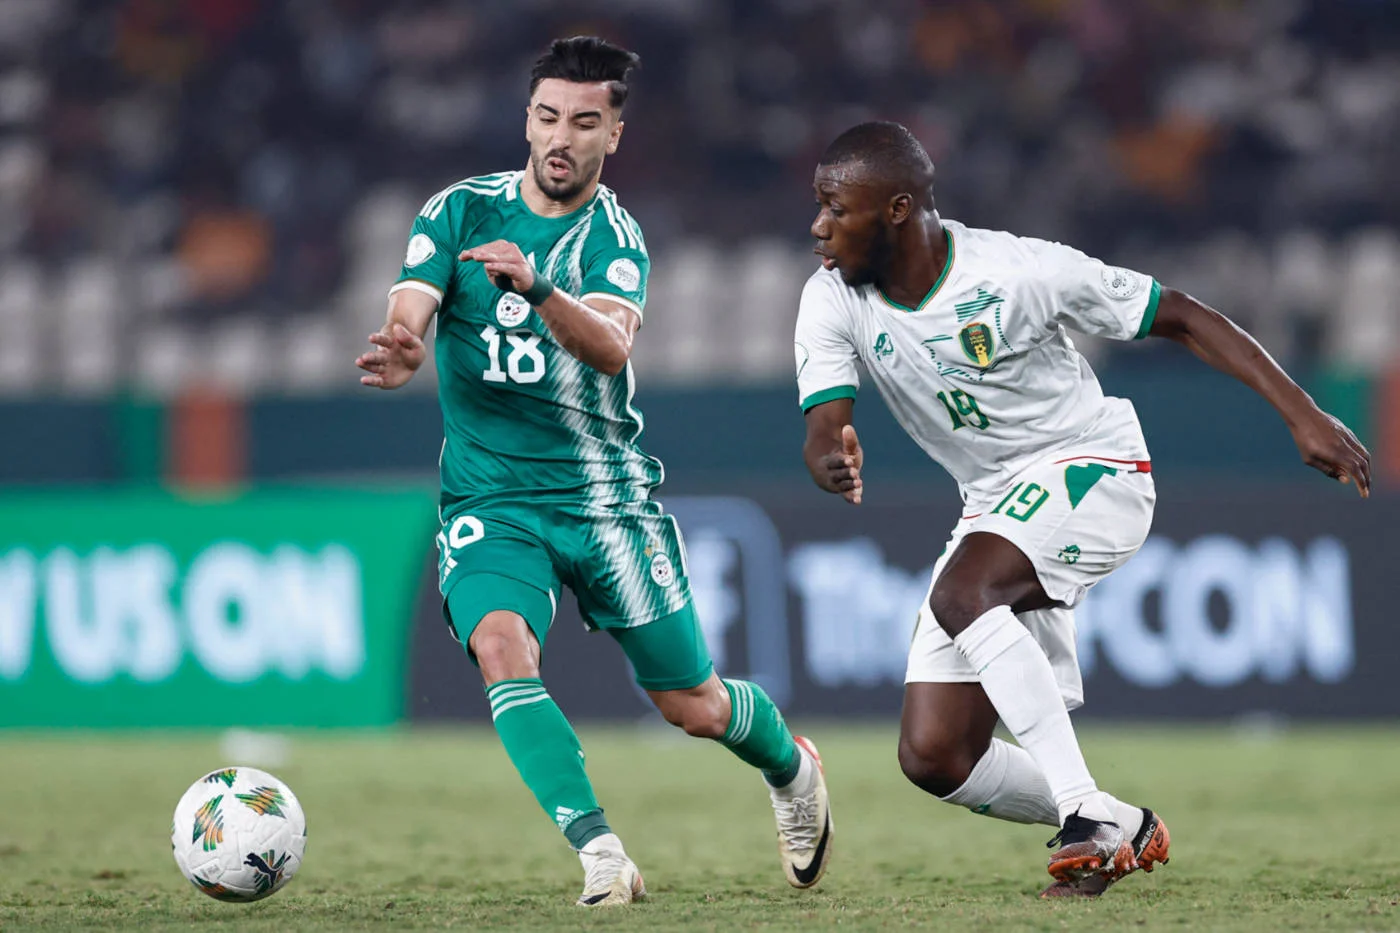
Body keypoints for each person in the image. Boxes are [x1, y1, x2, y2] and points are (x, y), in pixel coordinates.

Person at [795, 121, 1370, 898]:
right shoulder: (831, 297)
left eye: (836, 207)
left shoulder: (1021, 271)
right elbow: (825, 424)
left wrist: (1303, 414)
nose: (818, 226)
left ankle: (1083, 819)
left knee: (964, 593)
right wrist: (830, 455)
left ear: (897, 209)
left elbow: (1186, 315)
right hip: (994, 504)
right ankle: (1121, 822)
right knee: (934, 756)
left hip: (1094, 466)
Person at [355, 36, 833, 906]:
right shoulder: (460, 209)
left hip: (604, 501)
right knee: (502, 646)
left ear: (614, 133)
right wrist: (402, 345)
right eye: (546, 118)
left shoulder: (615, 239)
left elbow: (611, 347)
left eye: (584, 121)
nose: (561, 138)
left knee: (692, 704)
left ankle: (793, 767)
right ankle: (601, 852)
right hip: (490, 497)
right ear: (526, 121)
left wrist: (537, 289)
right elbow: (413, 299)